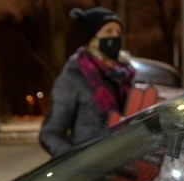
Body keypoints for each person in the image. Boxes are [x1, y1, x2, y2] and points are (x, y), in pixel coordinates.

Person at [39, 7, 135, 158]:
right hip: (92, 171)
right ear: (92, 39)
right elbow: (50, 135)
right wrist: (78, 162)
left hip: (126, 165)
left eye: (118, 32)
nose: (115, 37)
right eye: (108, 31)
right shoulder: (73, 77)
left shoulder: (127, 74)